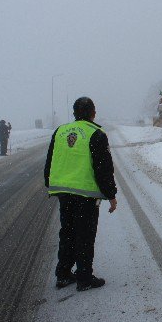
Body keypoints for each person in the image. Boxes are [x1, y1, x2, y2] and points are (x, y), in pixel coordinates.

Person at [44, 97, 118, 291]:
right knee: (85, 234)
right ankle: (84, 278)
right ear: (93, 113)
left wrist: (49, 183)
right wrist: (111, 194)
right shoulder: (96, 134)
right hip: (85, 194)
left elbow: (50, 160)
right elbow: (104, 169)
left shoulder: (59, 132)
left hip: (63, 192)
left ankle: (63, 274)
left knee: (67, 232)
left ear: (74, 113)